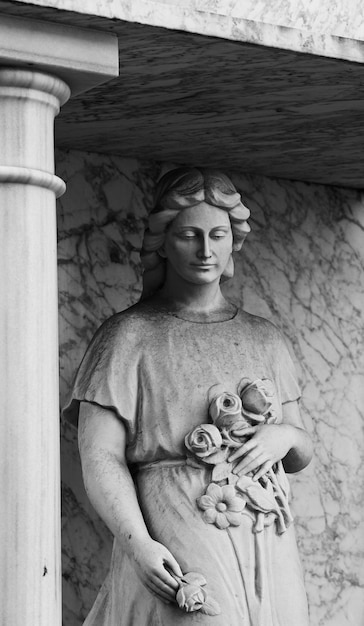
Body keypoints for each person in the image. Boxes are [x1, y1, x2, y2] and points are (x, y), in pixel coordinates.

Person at [64, 168, 313, 625]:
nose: (205, 250)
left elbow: (301, 450)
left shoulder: (265, 337)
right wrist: (137, 541)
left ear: (233, 241)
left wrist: (282, 438)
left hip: (267, 533)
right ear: (163, 241)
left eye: (217, 235)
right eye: (189, 236)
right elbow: (99, 456)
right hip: (177, 521)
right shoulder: (128, 336)